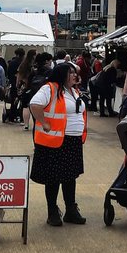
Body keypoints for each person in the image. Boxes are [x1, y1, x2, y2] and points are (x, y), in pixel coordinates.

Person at [29, 62, 88, 226]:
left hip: (73, 141)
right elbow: (34, 104)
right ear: (62, 74)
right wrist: (44, 122)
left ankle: (71, 209)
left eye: (75, 73)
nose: (75, 75)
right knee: (53, 178)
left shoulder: (74, 91)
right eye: (71, 73)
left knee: (70, 177)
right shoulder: (50, 88)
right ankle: (52, 211)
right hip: (55, 141)